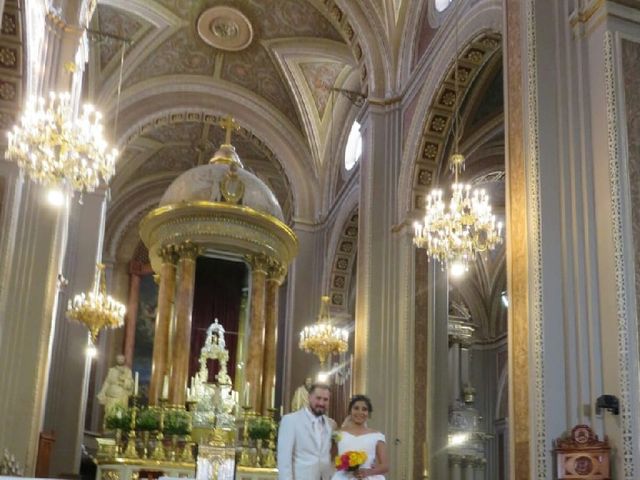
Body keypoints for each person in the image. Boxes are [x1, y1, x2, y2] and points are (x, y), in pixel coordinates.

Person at [277, 383, 335, 480]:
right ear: (309, 397)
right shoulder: (291, 420)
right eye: (318, 398)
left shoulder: (330, 424)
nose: (321, 403)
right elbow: (284, 460)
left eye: (325, 399)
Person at [331, 395, 389, 480]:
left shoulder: (377, 436)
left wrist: (368, 472)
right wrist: (342, 465)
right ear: (350, 411)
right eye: (356, 408)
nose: (360, 412)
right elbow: (331, 458)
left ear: (368, 414)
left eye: (364, 409)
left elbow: (385, 466)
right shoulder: (338, 433)